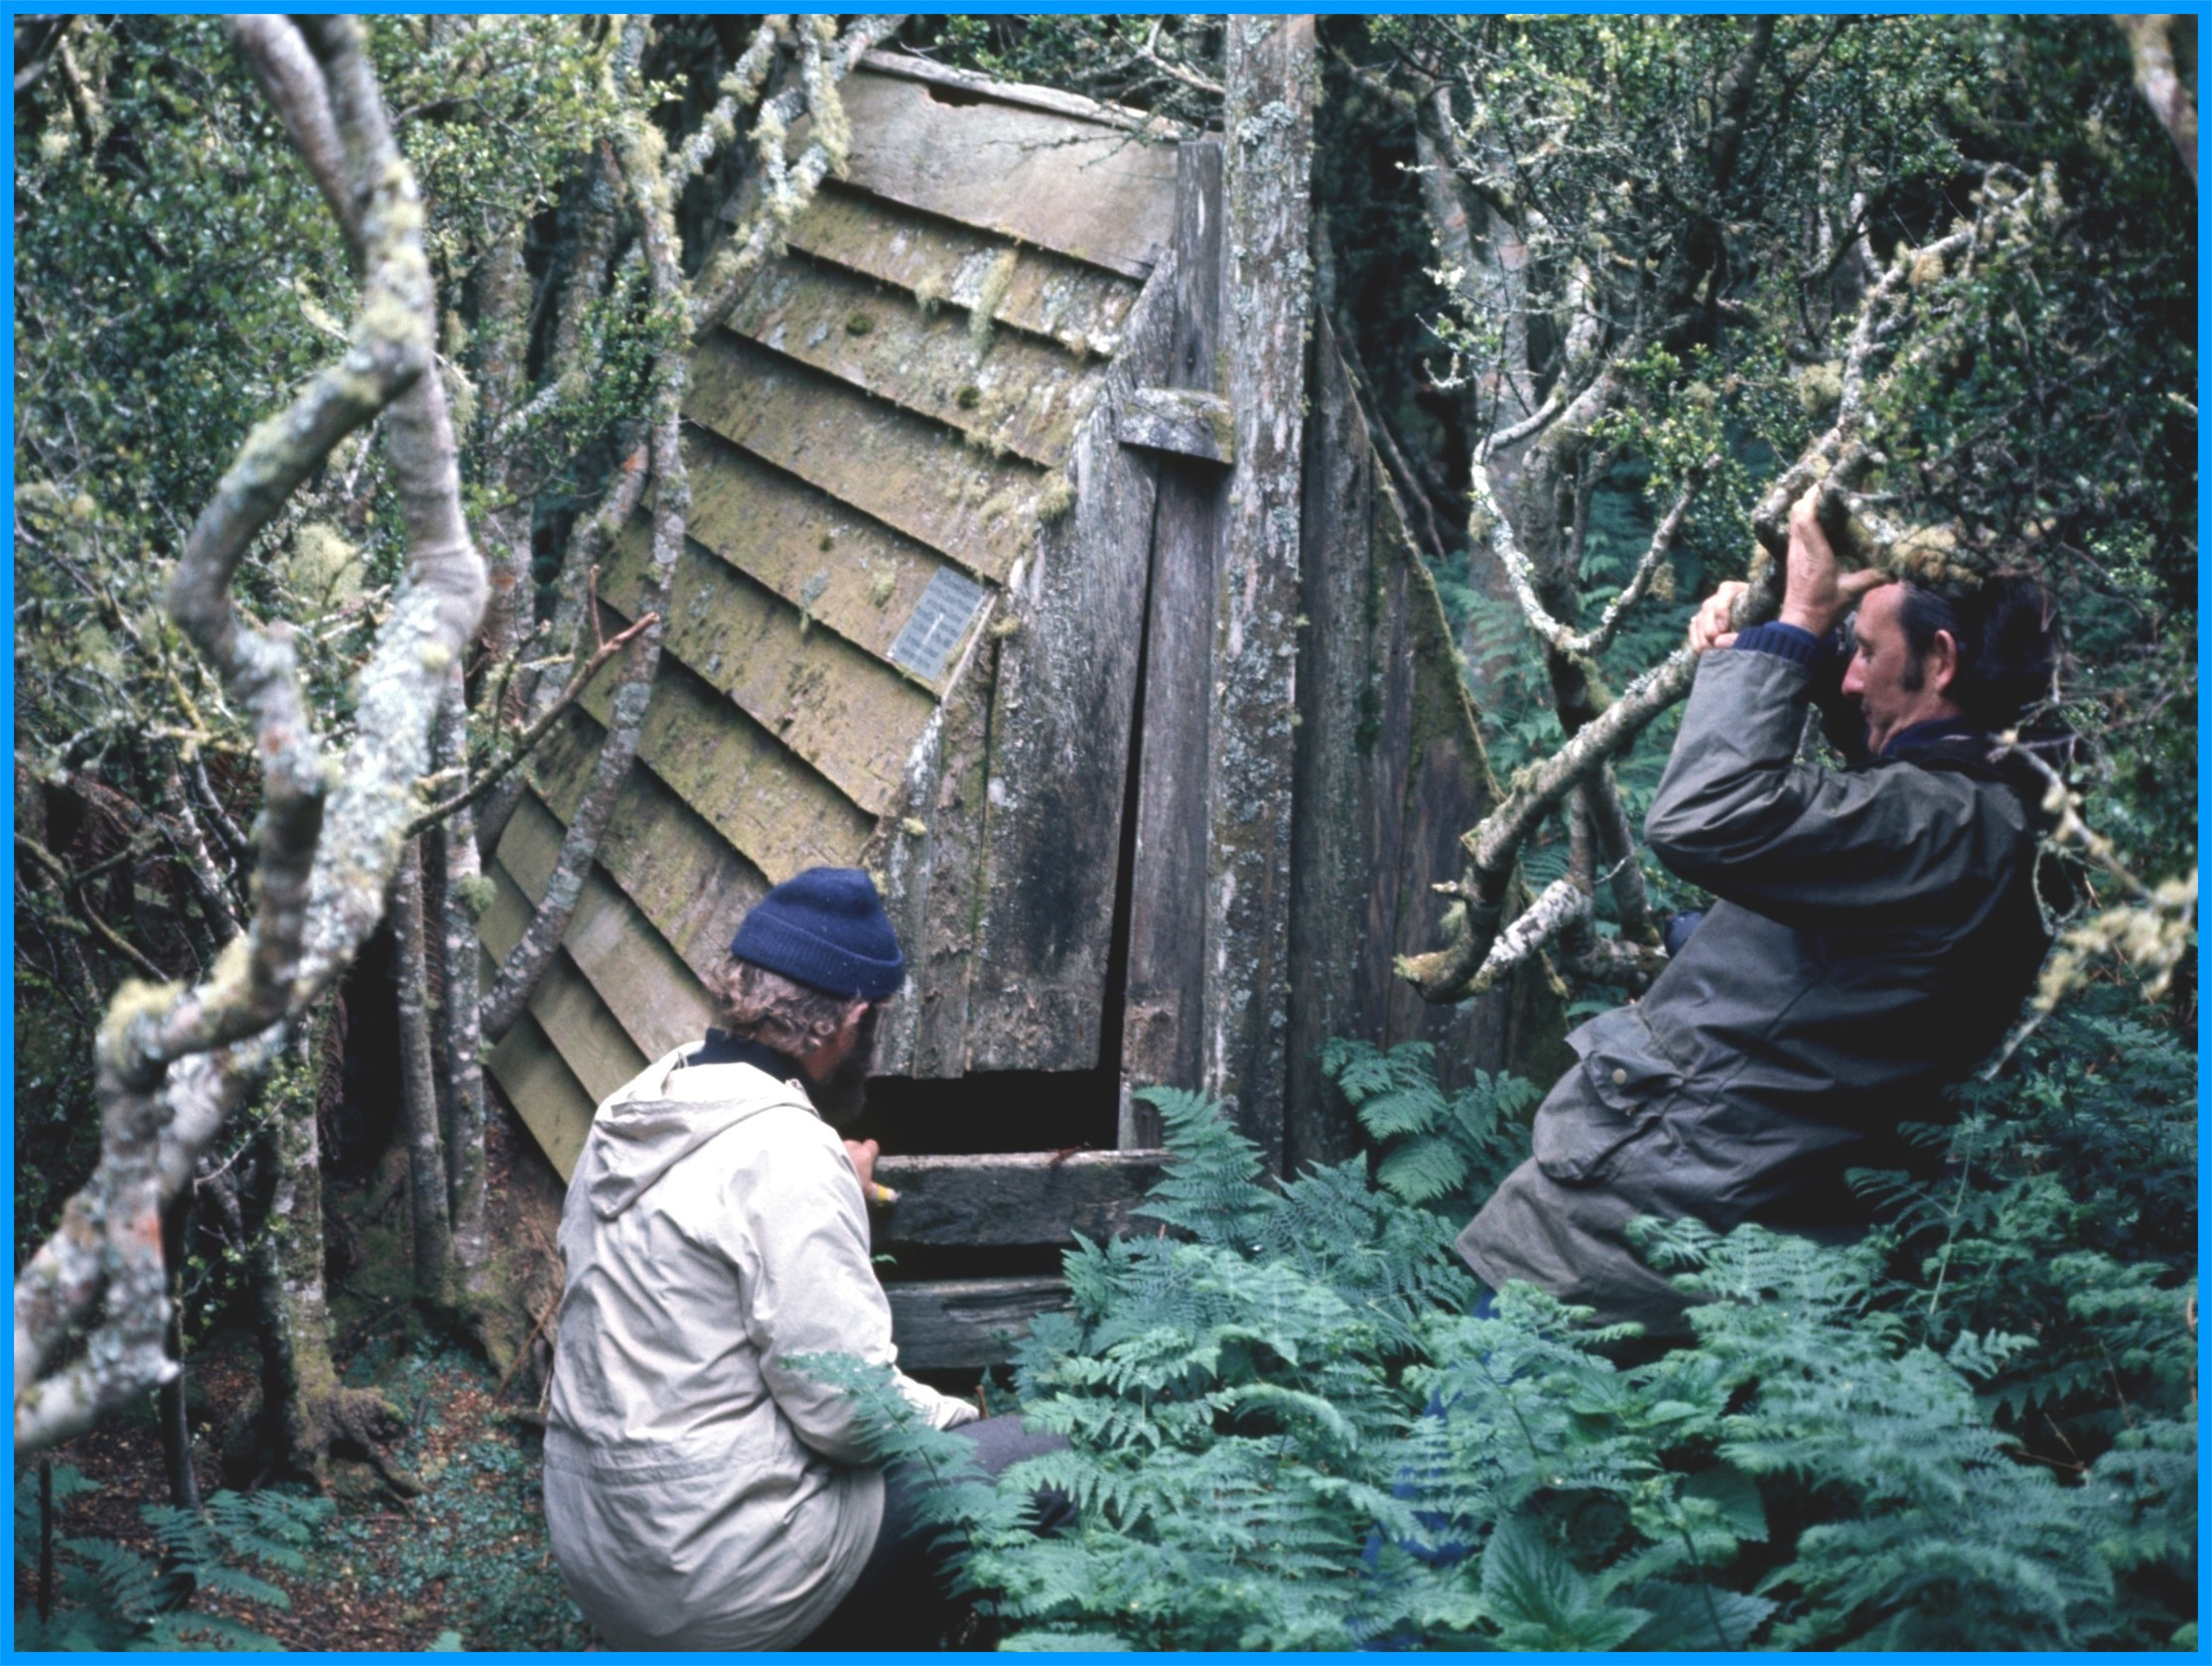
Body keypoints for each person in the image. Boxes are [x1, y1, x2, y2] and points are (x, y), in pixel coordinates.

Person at [1456, 489, 2062, 1342]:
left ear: (1944, 660)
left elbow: (1705, 817)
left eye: (1866, 651)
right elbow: (1874, 835)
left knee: (1462, 1462)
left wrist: (1799, 625)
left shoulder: (1948, 822)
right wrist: (1781, 650)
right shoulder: (2001, 806)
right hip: (1742, 1214)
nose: (1848, 675)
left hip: (1651, 1211)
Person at [542, 867, 1066, 1650]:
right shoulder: (789, 1153)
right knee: (1053, 1457)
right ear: (850, 1019)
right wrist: (966, 1418)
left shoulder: (642, 1103)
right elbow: (849, 1417)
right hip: (721, 1585)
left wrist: (833, 1198)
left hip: (607, 1557)